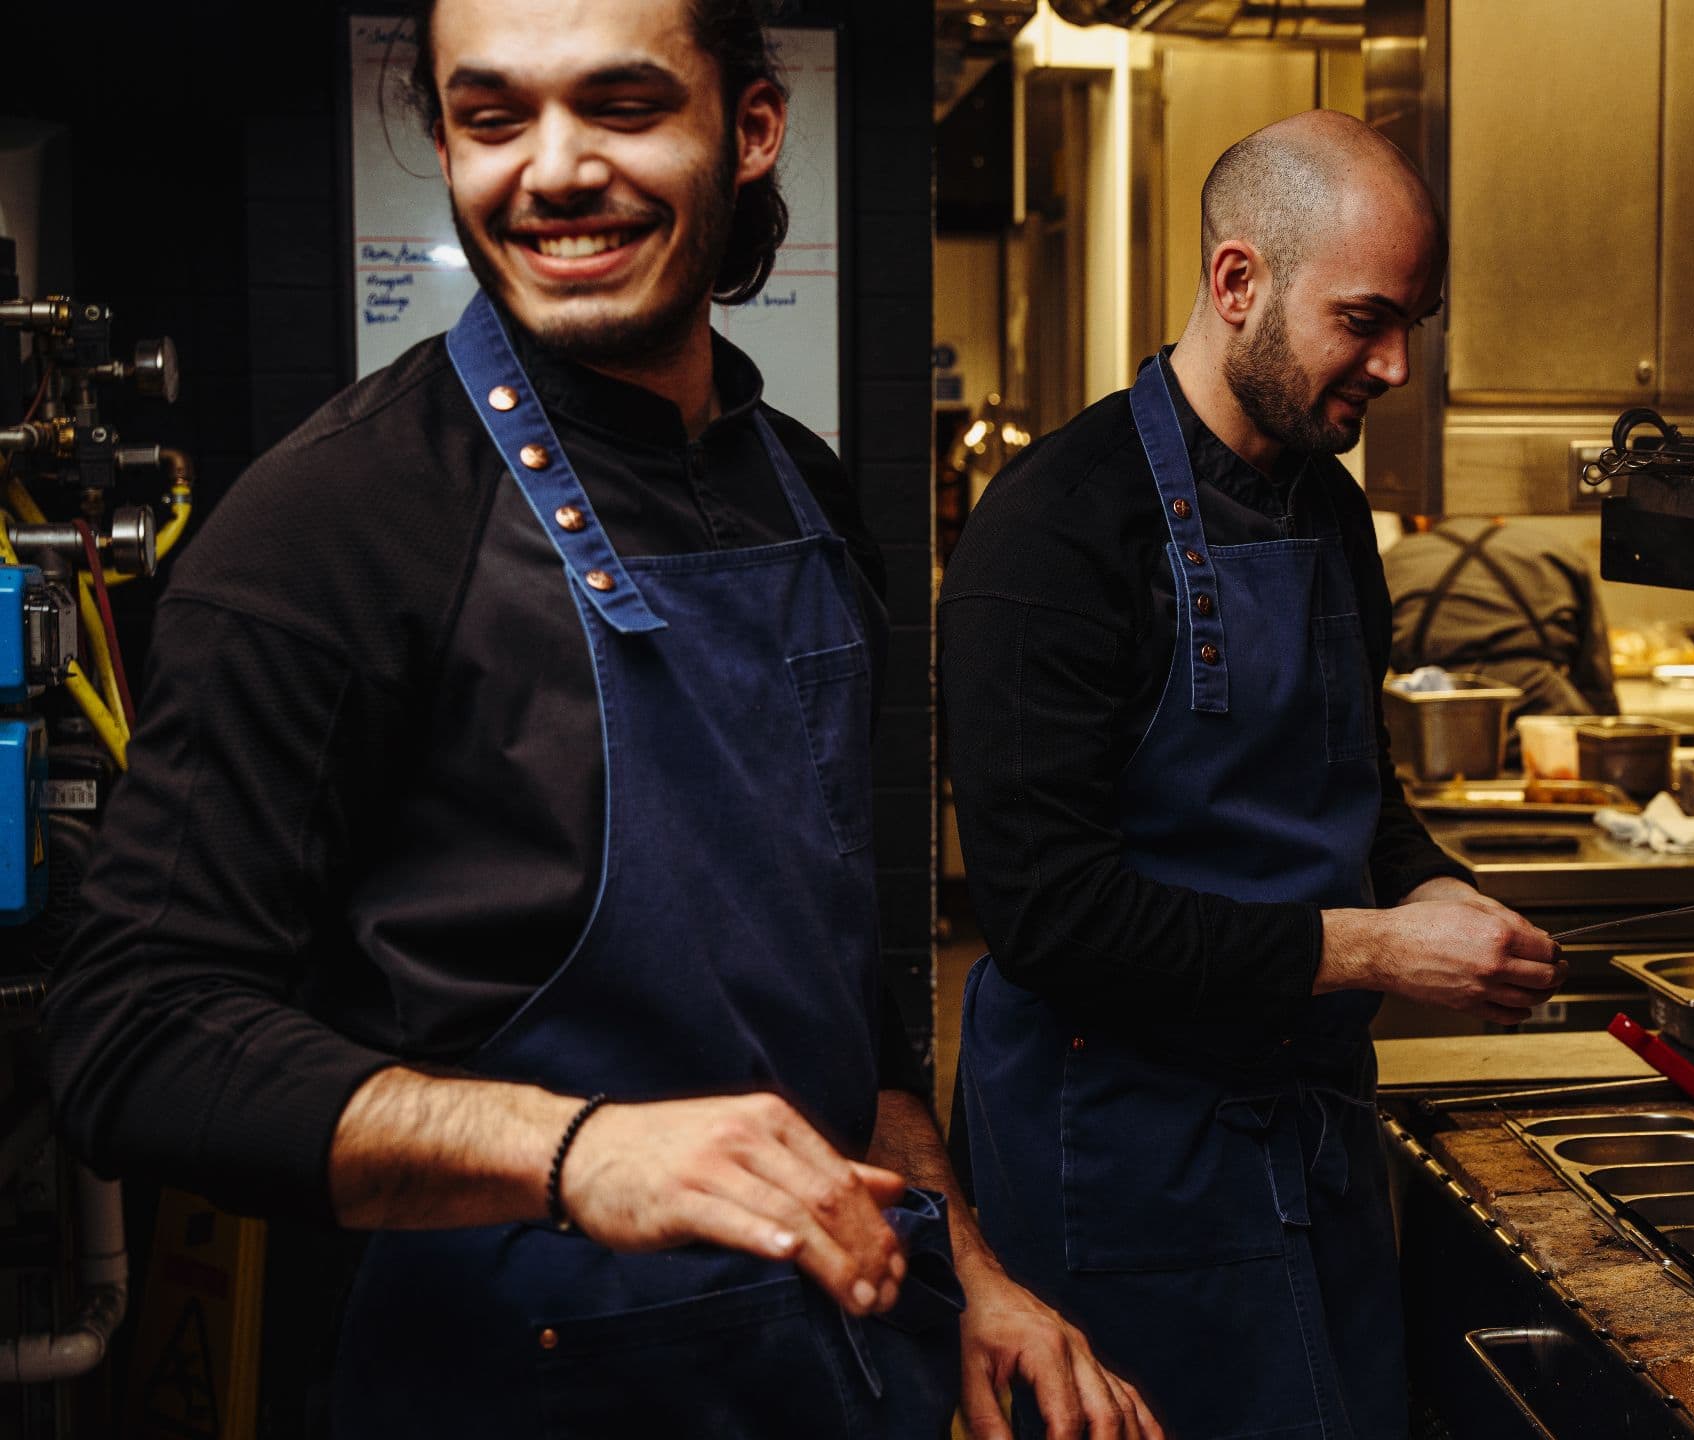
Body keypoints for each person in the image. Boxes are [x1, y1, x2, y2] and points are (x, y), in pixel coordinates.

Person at [41, 2, 1154, 1435]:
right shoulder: (325, 531)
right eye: (495, 118)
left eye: (621, 106)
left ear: (749, 128)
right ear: (445, 139)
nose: (554, 170)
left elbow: (829, 989)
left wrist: (967, 1269)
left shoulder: (804, 496)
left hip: (824, 1375)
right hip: (505, 1378)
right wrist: (576, 1154)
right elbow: (134, 1041)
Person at [940, 111, 1564, 1438]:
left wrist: (1433, 887)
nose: (1395, 364)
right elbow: (1053, 918)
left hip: (1309, 1132)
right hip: (1122, 1159)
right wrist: (1381, 952)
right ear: (1240, 285)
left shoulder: (1331, 511)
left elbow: (1359, 788)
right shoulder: (1055, 531)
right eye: (1366, 320)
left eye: (1416, 323)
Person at [1384, 514, 1619, 718]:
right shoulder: (1556, 551)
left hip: (1437, 734)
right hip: (1547, 728)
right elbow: (1597, 686)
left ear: (1420, 518)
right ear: (1499, 517)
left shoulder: (1393, 561)